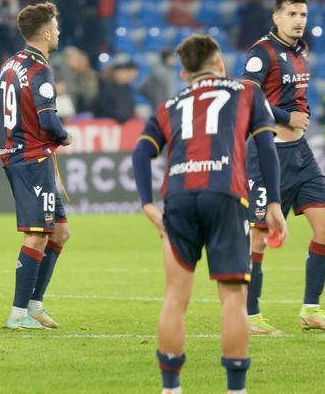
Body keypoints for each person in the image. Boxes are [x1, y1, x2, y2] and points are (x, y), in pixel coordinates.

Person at [132, 34, 286, 394]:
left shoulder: (170, 104)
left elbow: (141, 154)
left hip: (180, 198)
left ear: (184, 74)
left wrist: (147, 204)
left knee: (175, 295)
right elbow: (266, 146)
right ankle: (236, 389)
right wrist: (275, 203)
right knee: (233, 297)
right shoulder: (247, 92)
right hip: (225, 194)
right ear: (219, 63)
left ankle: (171, 388)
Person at [242, 0, 325, 334]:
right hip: (267, 154)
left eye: (303, 14)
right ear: (276, 17)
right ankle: (250, 315)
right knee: (258, 239)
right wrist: (287, 116)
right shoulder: (262, 52)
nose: (299, 20)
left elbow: (297, 96)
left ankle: (311, 309)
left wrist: (302, 114)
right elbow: (248, 96)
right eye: (291, 14)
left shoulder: (300, 51)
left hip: (301, 154)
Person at [0, 2, 72, 330]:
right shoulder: (40, 70)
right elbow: (48, 119)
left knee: (60, 231)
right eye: (55, 26)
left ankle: (35, 304)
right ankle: (17, 313)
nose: (58, 31)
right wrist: (64, 136)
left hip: (22, 153)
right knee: (37, 235)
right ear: (44, 32)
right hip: (30, 157)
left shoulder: (10, 64)